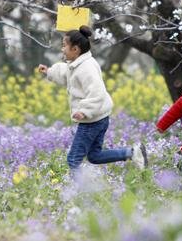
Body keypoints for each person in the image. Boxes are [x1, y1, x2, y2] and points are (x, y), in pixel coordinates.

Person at [38, 25, 147, 173]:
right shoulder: (78, 64)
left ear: (75, 49)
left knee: (73, 159)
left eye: (64, 46)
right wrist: (49, 72)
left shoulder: (86, 68)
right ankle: (133, 153)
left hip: (91, 121)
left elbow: (97, 93)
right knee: (94, 156)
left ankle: (81, 187)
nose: (62, 49)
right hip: (99, 117)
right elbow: (66, 73)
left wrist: (84, 111)